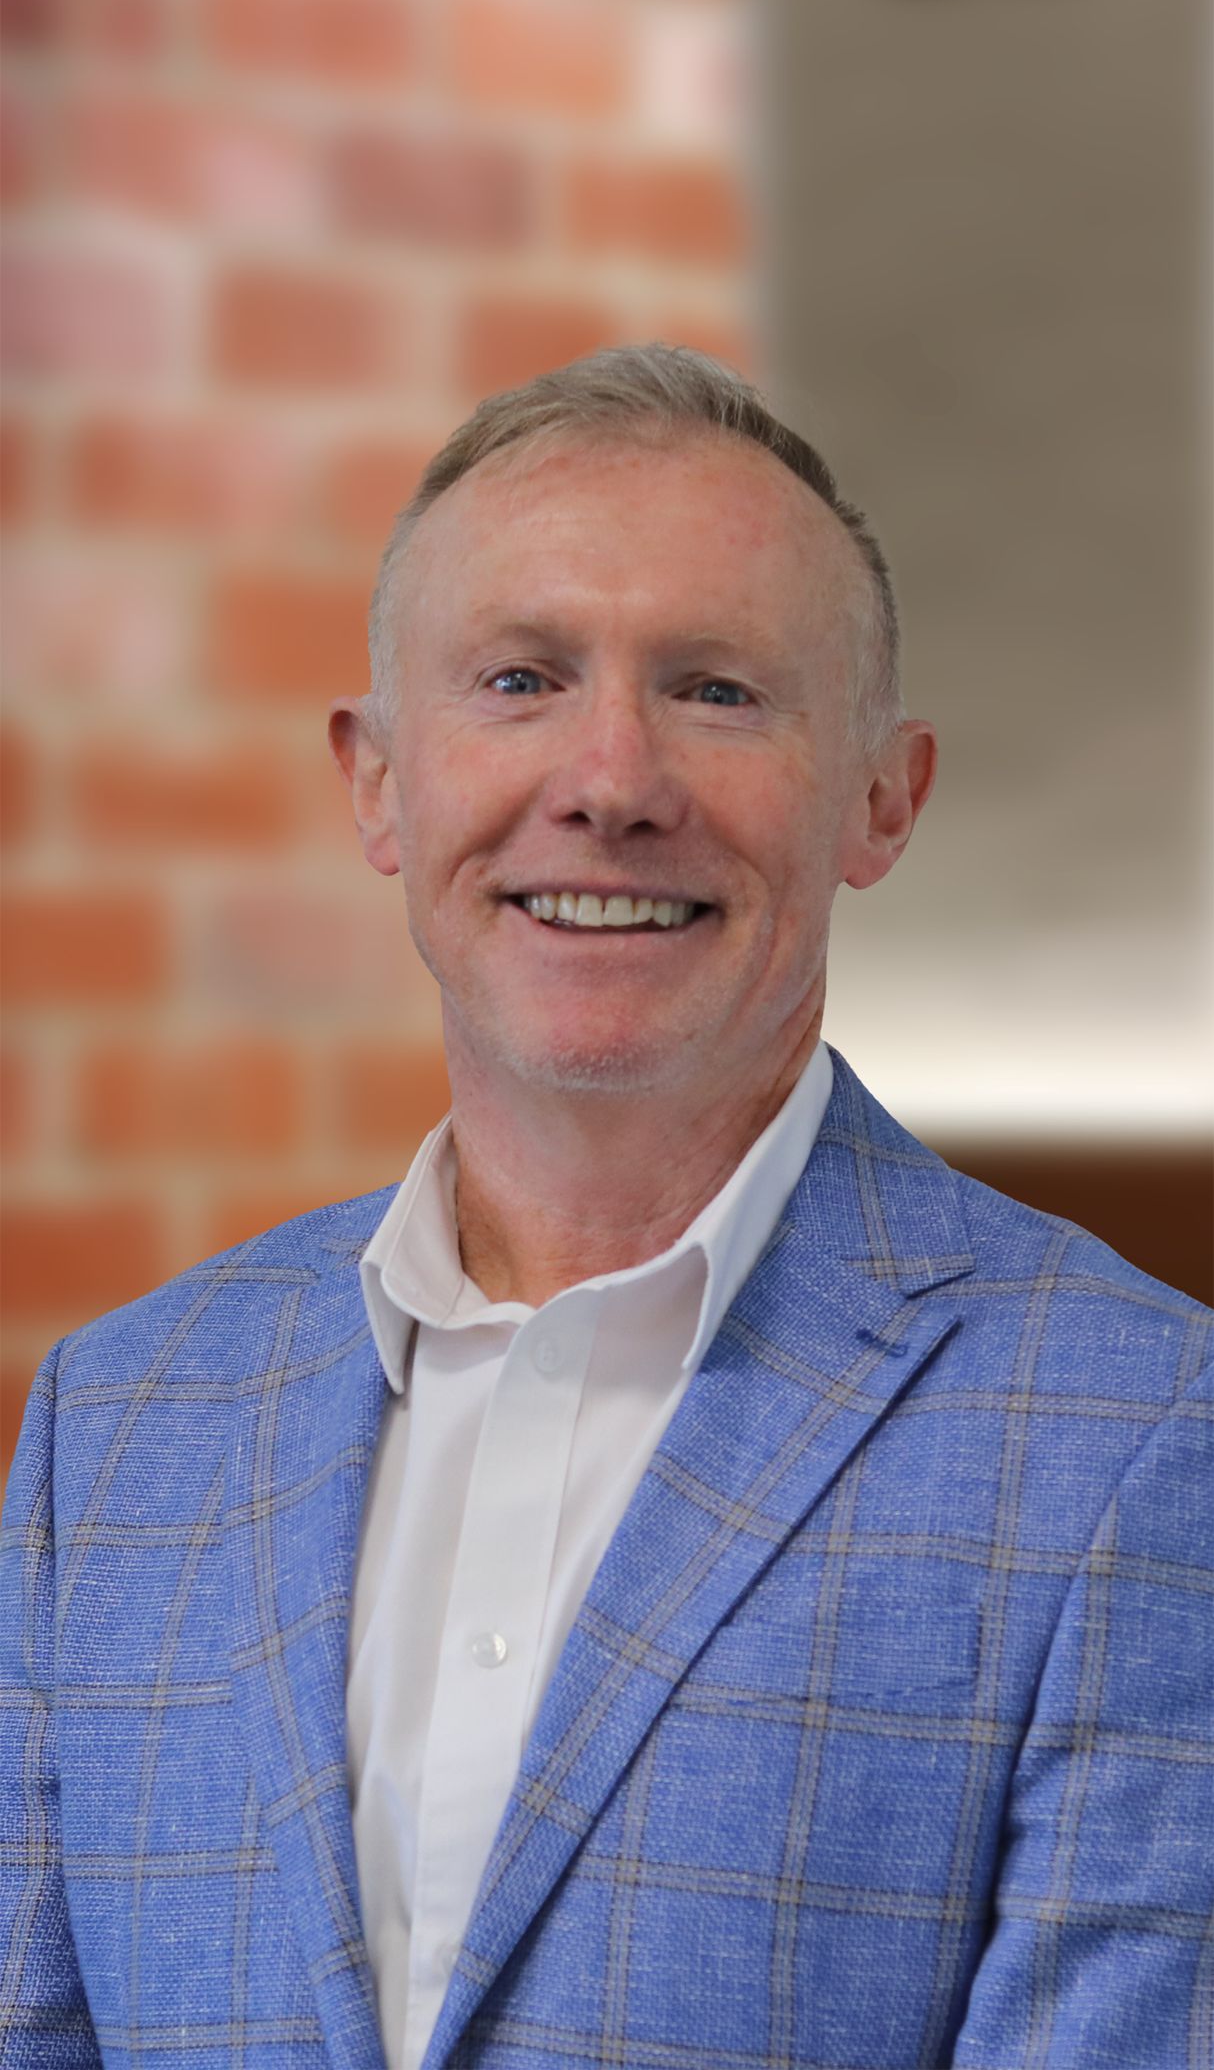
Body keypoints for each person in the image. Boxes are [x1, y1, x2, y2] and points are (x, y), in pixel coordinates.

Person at [1, 346, 1209, 2070]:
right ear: (375, 784)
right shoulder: (117, 1426)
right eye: (517, 678)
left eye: (717, 691)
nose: (611, 778)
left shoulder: (1139, 1438)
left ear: (883, 797)